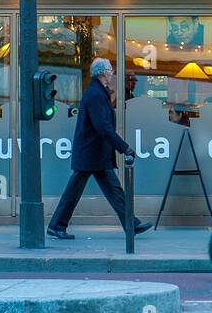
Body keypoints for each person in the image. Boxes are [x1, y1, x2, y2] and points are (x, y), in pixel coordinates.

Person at [47, 58, 153, 240]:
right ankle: (56, 225)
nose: (112, 74)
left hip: (95, 154)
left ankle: (131, 224)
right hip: (92, 153)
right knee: (78, 191)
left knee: (112, 191)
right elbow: (102, 126)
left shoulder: (97, 92)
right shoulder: (96, 94)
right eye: (110, 70)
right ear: (103, 73)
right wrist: (124, 147)